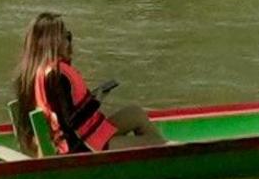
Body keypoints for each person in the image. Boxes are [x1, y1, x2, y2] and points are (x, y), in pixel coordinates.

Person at [10, 12, 156, 155]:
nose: (69, 42)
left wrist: (92, 98)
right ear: (53, 42)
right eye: (66, 37)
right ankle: (165, 156)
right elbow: (70, 123)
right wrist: (96, 101)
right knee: (152, 141)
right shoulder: (57, 76)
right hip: (80, 145)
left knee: (135, 112)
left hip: (81, 136)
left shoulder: (35, 72)